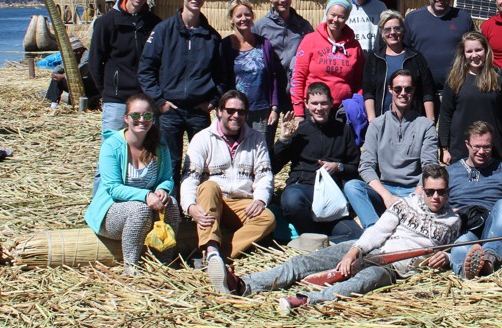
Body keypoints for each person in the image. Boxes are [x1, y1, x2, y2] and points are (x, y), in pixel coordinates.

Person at [210, 164, 460, 317]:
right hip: (369, 249)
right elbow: (378, 231)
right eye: (430, 191)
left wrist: (447, 256)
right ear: (422, 190)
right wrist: (354, 252)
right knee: (304, 263)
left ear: (448, 191)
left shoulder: (452, 223)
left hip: (392, 269)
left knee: (363, 281)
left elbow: (453, 251)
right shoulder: (403, 205)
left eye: (441, 192)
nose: (435, 197)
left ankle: (306, 300)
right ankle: (244, 285)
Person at [138, 0, 223, 187]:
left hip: (198, 111)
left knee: (201, 162)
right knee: (170, 162)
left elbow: (222, 75)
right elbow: (146, 70)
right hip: (170, 111)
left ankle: (198, 208)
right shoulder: (163, 31)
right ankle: (172, 211)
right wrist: (159, 101)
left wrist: (213, 100)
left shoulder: (211, 37)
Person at [182, 91, 276, 279]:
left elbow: (264, 175)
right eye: (230, 111)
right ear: (219, 111)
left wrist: (260, 199)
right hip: (213, 200)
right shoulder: (202, 138)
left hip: (241, 202)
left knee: (268, 218)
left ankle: (217, 256)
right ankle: (210, 248)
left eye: (240, 112)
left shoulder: (256, 139)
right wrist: (190, 206)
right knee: (209, 186)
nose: (236, 116)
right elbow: (190, 176)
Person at [84, 93, 181, 276]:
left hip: (149, 207)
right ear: (126, 118)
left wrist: (162, 189)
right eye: (136, 115)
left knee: (172, 205)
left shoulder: (159, 145)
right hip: (112, 211)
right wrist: (146, 196)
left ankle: (164, 262)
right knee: (140, 209)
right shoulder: (112, 145)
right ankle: (131, 266)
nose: (141, 120)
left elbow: (167, 177)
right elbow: (113, 187)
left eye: (147, 115)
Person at [346, 69, 440, 228]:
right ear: (390, 90)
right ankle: (374, 229)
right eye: (398, 89)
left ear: (413, 91)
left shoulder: (426, 126)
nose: (403, 93)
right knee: (352, 187)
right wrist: (386, 196)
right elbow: (366, 166)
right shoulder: (376, 125)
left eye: (408, 89)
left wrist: (413, 198)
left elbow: (429, 167)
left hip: (414, 190)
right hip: (384, 189)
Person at [272, 82, 362, 239]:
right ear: (306, 104)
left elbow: (355, 166)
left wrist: (338, 167)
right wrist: (283, 140)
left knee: (354, 234)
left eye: (323, 103)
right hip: (303, 188)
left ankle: (316, 240)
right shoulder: (300, 131)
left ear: (331, 103)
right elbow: (273, 167)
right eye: (314, 103)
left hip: (331, 197)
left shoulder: (343, 130)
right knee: (291, 200)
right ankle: (317, 236)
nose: (319, 108)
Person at [89, 0, 162, 132]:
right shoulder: (106, 23)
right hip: (117, 99)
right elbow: (94, 61)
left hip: (146, 97)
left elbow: (161, 61)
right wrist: (106, 92)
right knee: (113, 146)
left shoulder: (155, 24)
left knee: (147, 148)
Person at [445, 122, 502, 278]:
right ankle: (466, 271)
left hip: (493, 226)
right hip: (466, 226)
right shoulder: (450, 172)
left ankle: (490, 258)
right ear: (467, 144)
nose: (482, 152)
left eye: (487, 147)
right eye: (477, 146)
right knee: (459, 248)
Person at [218, 0, 287, 150]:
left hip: (262, 110)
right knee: (235, 149)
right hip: (234, 110)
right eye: (239, 15)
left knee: (261, 150)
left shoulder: (264, 44)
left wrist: (274, 108)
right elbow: (222, 79)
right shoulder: (225, 45)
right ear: (231, 19)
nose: (244, 19)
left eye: (247, 15)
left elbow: (273, 77)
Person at [439, 32, 502, 164]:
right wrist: (444, 148)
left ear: (486, 50)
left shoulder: (498, 76)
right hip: (460, 148)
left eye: (478, 50)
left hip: (493, 148)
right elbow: (445, 115)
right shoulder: (455, 78)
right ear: (463, 54)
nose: (474, 55)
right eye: (469, 51)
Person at [290, 0, 365, 116]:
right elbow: (298, 77)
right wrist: (299, 113)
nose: (335, 20)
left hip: (342, 110)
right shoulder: (310, 40)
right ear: (326, 13)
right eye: (333, 14)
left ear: (347, 18)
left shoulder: (354, 46)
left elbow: (359, 82)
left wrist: (356, 105)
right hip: (314, 109)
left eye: (341, 17)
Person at [403, 0, 474, 95]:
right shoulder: (412, 19)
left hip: (457, 91)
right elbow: (404, 53)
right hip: (422, 92)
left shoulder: (463, 18)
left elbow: (472, 52)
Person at [362, 10, 435, 120]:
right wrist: (372, 120)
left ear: (403, 31)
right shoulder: (374, 59)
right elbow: (368, 93)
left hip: (413, 120)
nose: (392, 32)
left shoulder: (416, 57)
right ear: (382, 34)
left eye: (397, 28)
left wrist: (430, 119)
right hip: (382, 120)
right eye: (387, 29)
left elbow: (427, 90)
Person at [252, 0, 313, 87]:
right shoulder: (260, 27)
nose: (283, 0)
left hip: (297, 86)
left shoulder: (304, 27)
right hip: (270, 86)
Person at [45, 37, 98, 108]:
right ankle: (54, 104)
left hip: (91, 85)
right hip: (79, 83)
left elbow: (79, 72)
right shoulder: (75, 56)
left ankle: (72, 105)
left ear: (78, 51)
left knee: (65, 79)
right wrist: (55, 73)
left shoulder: (88, 56)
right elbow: (62, 66)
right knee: (56, 79)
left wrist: (62, 76)